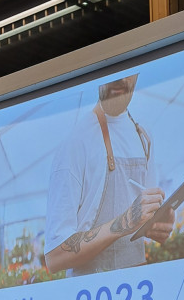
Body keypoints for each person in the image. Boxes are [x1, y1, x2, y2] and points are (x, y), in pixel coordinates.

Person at [43, 73, 176, 275]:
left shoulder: (143, 137)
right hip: (89, 294)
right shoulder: (76, 142)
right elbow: (54, 257)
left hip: (138, 286)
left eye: (128, 70)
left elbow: (142, 219)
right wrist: (125, 222)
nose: (121, 78)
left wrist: (154, 224)